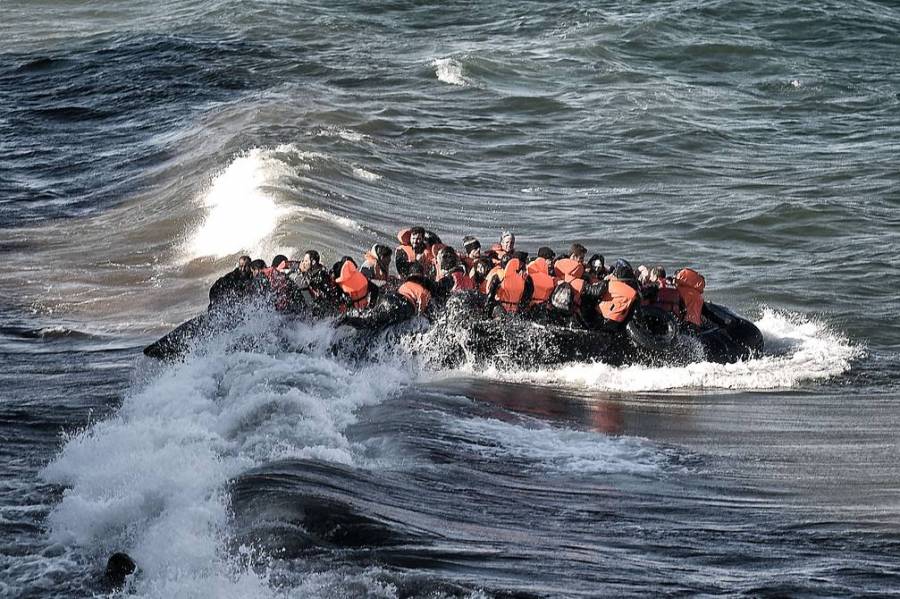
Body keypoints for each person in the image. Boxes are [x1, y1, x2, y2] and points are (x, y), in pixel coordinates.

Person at [580, 259, 640, 332]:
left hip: (602, 318)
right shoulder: (632, 290)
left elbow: (595, 292)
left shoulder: (610, 283)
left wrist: (584, 287)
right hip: (617, 323)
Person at [295, 250, 342, 315]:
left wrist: (301, 272)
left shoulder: (321, 273)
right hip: (323, 304)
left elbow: (309, 282)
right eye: (303, 261)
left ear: (313, 262)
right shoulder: (316, 269)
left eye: (306, 261)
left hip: (327, 309)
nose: (303, 263)